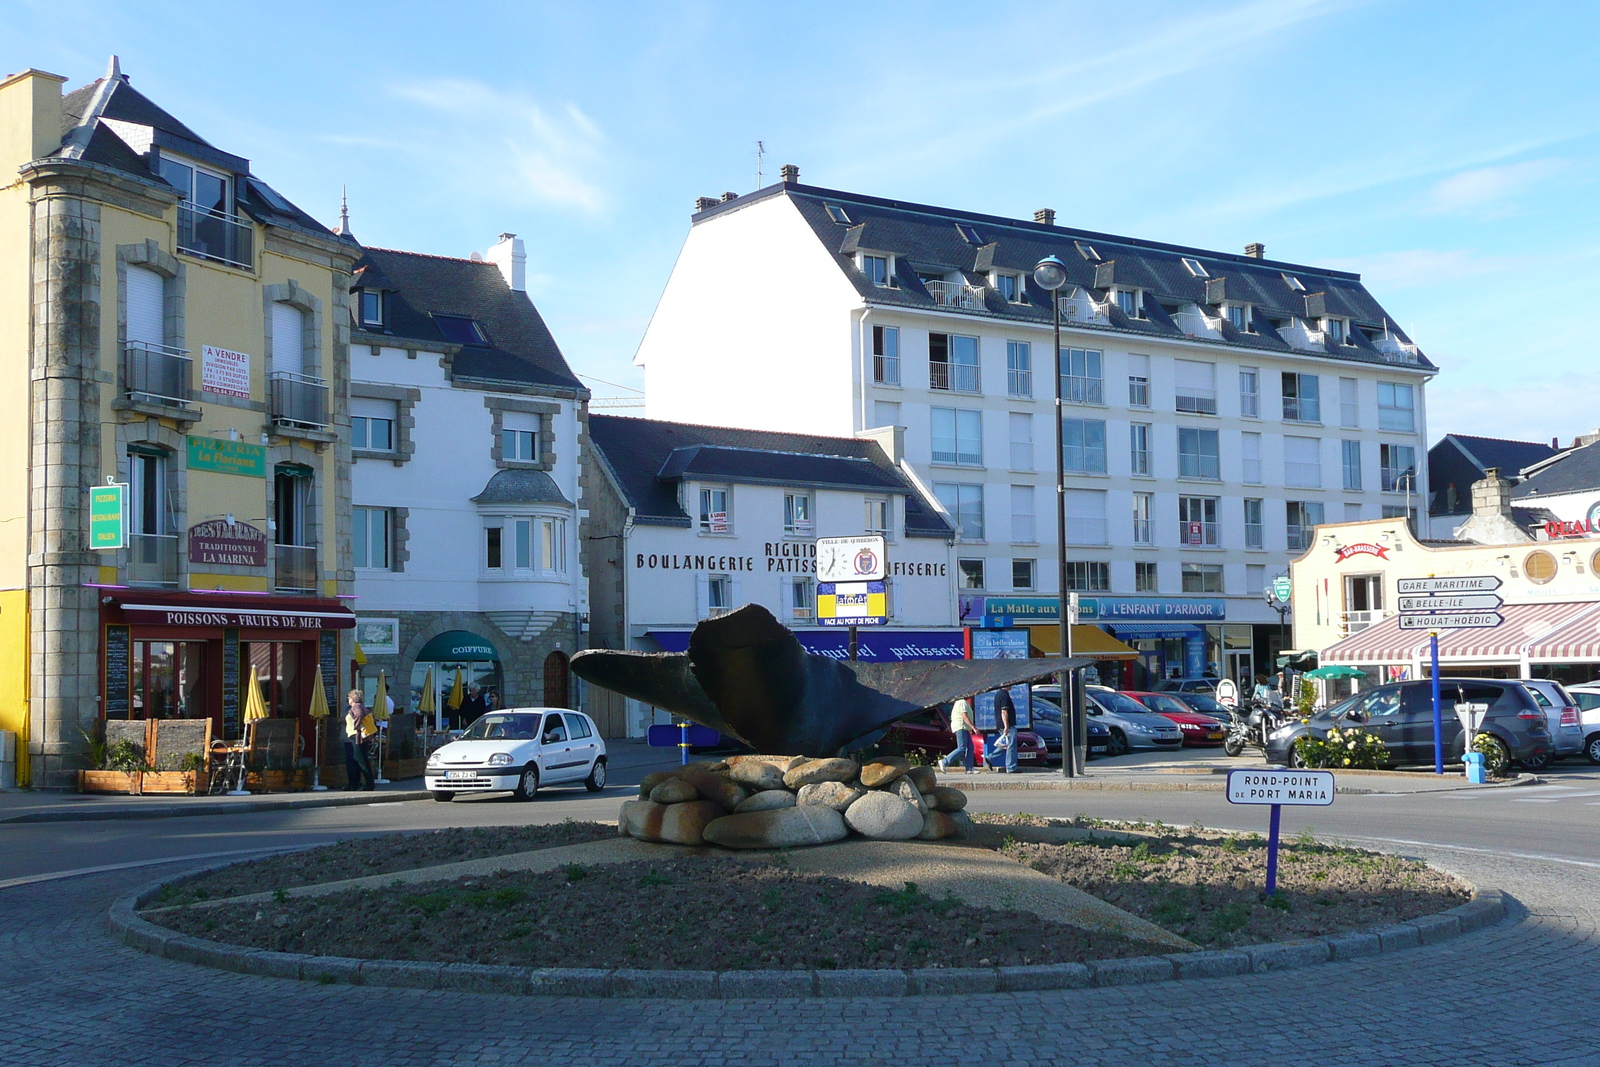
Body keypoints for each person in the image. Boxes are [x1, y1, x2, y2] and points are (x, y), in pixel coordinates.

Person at [343, 690, 376, 791]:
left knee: (361, 761)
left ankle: (369, 784)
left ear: (353, 698)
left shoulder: (356, 707)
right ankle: (354, 784)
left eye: (349, 697)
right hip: (358, 737)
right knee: (357, 762)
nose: (348, 699)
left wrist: (356, 727)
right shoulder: (361, 706)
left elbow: (358, 715)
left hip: (357, 737)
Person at [938, 695, 976, 774]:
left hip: (965, 727)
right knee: (962, 747)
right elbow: (964, 716)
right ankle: (945, 761)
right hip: (961, 727)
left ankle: (969, 768)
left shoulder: (963, 702)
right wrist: (973, 727)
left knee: (970, 747)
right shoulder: (961, 702)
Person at [989, 687, 1019, 773]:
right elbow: (1004, 711)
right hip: (1007, 725)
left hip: (1001, 724)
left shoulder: (999, 694)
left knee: (1005, 744)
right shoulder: (1004, 695)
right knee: (1011, 745)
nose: (1012, 685)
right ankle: (1011, 768)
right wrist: (1006, 726)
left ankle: (990, 758)